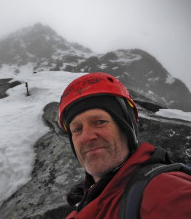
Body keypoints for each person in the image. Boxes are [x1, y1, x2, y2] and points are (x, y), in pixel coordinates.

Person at [58, 72, 191, 219]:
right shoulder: (82, 205)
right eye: (77, 129)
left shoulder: (166, 191)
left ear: (126, 129)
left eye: (100, 122)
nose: (86, 137)